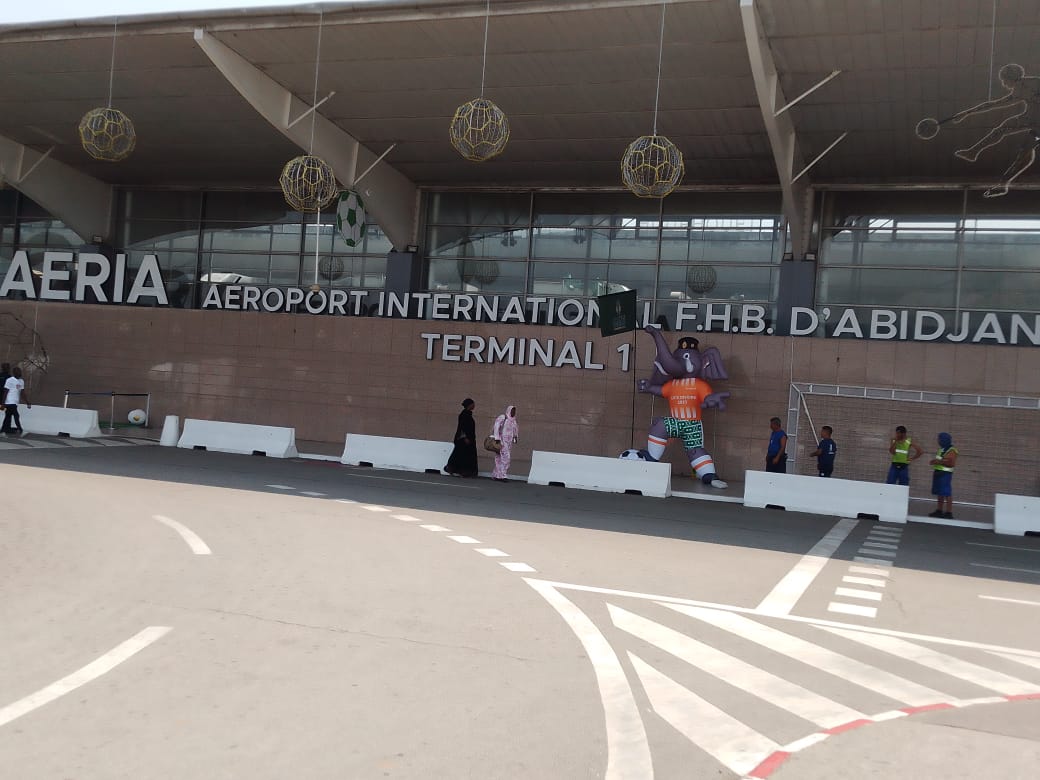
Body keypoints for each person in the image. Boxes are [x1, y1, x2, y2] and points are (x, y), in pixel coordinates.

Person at [444, 398, 479, 477]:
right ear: (469, 405)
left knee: (463, 455)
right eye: (473, 404)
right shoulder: (464, 414)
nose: (474, 405)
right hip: (464, 440)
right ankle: (461, 471)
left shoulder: (468, 414)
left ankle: (463, 471)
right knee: (462, 455)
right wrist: (465, 437)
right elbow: (462, 427)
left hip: (469, 439)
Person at [929, 432, 959, 519]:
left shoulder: (952, 450)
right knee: (940, 492)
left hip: (945, 474)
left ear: (944, 439)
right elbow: (941, 459)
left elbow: (951, 463)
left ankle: (949, 512)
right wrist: (934, 461)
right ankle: (939, 510)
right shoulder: (941, 449)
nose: (938, 440)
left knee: (947, 493)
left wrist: (938, 462)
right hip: (938, 473)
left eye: (939, 439)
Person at [490, 405, 519, 482]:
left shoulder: (513, 420)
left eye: (514, 411)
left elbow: (515, 429)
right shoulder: (503, 417)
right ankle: (503, 475)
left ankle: (496, 474)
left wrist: (515, 437)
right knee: (506, 458)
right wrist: (497, 438)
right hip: (501, 441)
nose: (513, 412)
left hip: (509, 442)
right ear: (509, 410)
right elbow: (496, 426)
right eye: (512, 410)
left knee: (499, 458)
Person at [1, 366, 30, 437]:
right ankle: (20, 430)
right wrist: (3, 403)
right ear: (14, 373)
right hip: (9, 402)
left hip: (15, 402)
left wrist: (27, 402)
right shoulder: (10, 380)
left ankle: (3, 430)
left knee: (8, 416)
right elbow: (5, 392)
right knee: (16, 415)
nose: (19, 373)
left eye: (20, 372)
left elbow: (22, 392)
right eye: (18, 372)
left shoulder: (21, 381)